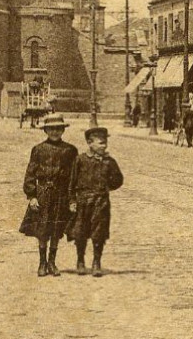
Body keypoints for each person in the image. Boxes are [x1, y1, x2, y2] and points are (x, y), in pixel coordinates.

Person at [20, 112, 78, 276]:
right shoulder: (38, 150)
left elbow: (74, 177)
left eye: (58, 129)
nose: (55, 132)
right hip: (43, 193)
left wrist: (73, 199)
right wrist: (32, 196)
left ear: (63, 130)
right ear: (45, 130)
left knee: (56, 228)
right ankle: (42, 262)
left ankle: (52, 262)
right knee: (42, 228)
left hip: (61, 194)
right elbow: (30, 173)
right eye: (51, 129)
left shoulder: (70, 150)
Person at [68, 126, 124, 276]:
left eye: (105, 143)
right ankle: (80, 260)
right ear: (89, 143)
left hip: (101, 202)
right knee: (80, 231)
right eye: (100, 143)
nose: (104, 146)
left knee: (99, 232)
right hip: (82, 201)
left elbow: (118, 179)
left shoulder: (109, 162)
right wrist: (72, 200)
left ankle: (96, 262)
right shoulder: (80, 160)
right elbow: (72, 182)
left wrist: (106, 187)